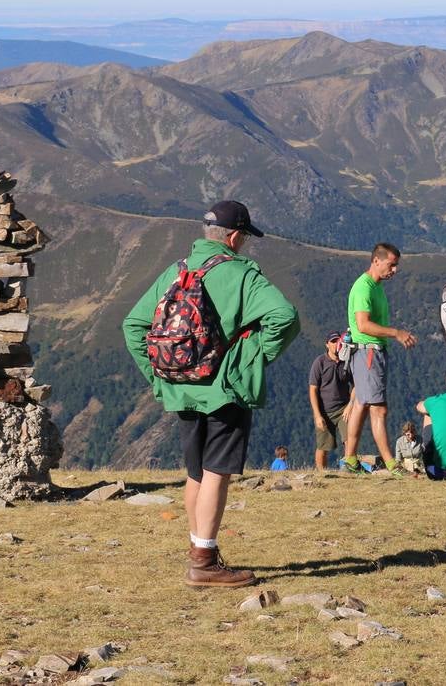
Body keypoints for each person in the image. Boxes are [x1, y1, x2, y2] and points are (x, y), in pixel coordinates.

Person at [122, 199, 299, 588]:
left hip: (181, 388)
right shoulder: (240, 273)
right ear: (235, 237)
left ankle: (199, 549)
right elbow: (284, 316)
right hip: (223, 391)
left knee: (196, 472)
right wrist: (252, 358)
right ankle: (204, 562)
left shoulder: (177, 271)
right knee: (217, 471)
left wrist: (159, 377)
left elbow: (133, 326)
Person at [342, 243, 418, 475]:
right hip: (368, 352)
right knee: (378, 409)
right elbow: (363, 324)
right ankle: (391, 464)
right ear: (376, 260)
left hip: (370, 352)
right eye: (391, 264)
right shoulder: (364, 287)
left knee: (362, 406)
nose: (394, 270)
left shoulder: (375, 286)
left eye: (396, 265)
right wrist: (396, 333)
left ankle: (350, 460)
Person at [307, 332, 352, 470]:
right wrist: (317, 415)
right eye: (333, 341)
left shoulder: (347, 361)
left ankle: (348, 470)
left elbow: (356, 385)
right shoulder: (319, 362)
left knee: (349, 440)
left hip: (344, 408)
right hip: (324, 411)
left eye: (338, 341)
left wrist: (350, 406)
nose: (336, 344)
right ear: (327, 344)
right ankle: (321, 474)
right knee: (323, 446)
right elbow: (313, 390)